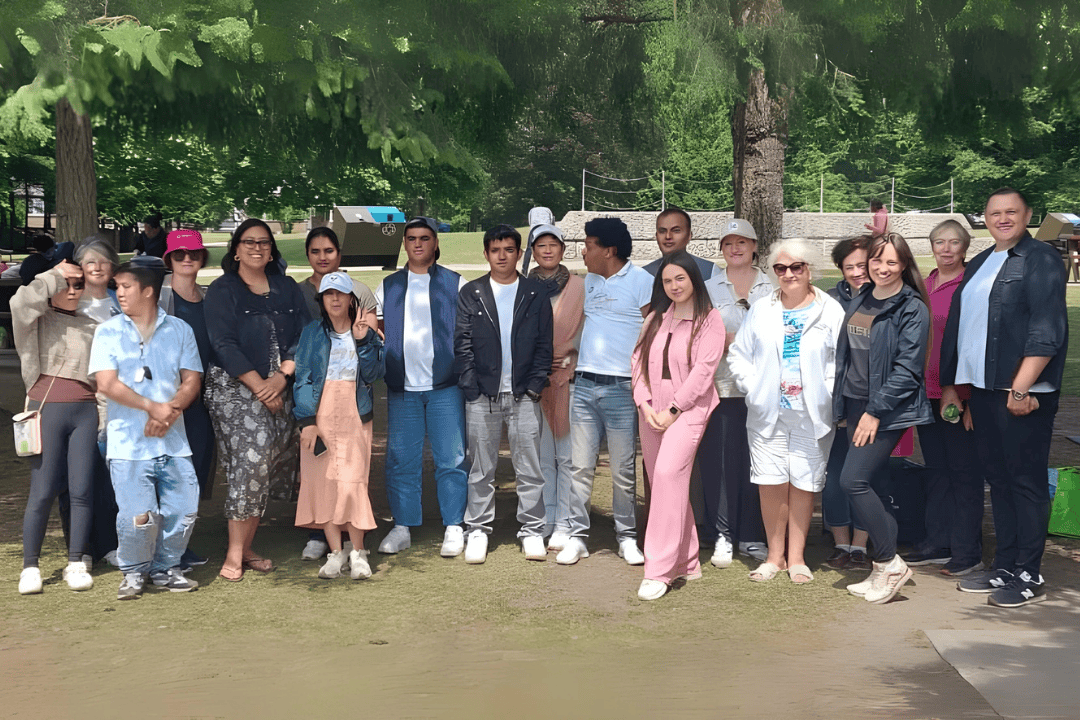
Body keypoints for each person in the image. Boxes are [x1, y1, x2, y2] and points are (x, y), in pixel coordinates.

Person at [941, 188, 1068, 607]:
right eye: (995, 212)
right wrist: (960, 389)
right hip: (984, 390)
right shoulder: (981, 262)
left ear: (1028, 214)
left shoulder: (1041, 260)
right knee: (999, 479)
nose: (1003, 218)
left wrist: (1021, 387)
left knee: (1025, 482)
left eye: (1012, 211)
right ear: (985, 218)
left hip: (1021, 393)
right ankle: (1006, 567)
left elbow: (1046, 329)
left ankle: (1029, 573)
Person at [729, 240, 845, 584]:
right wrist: (753, 387)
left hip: (811, 413)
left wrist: (825, 390)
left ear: (810, 269)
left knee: (805, 483)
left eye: (797, 267)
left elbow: (841, 361)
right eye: (781, 269)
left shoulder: (831, 310)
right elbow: (739, 353)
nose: (789, 274)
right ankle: (773, 556)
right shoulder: (762, 308)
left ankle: (797, 558)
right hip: (769, 412)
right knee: (771, 482)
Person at [89, 260, 202, 599]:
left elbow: (192, 379)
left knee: (183, 510)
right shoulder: (108, 332)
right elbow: (106, 383)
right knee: (139, 516)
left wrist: (170, 412)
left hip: (174, 441)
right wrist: (153, 406)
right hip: (128, 444)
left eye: (125, 286)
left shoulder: (180, 330)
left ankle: (166, 567)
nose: (118, 292)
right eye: (117, 287)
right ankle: (135, 572)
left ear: (148, 291)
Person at [205, 219, 310, 581]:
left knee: (266, 465)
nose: (256, 247)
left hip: (280, 386)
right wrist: (259, 386)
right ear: (235, 249)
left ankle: (247, 547)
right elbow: (223, 344)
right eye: (248, 242)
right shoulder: (223, 290)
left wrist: (281, 378)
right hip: (234, 389)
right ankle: (234, 554)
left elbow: (303, 335)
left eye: (263, 242)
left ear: (271, 250)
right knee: (250, 463)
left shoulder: (287, 288)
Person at [835, 232, 932, 604]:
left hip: (886, 410)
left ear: (904, 265)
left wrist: (875, 412)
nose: (882, 268)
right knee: (870, 485)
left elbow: (908, 370)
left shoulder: (911, 308)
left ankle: (891, 562)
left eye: (891, 262)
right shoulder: (861, 298)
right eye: (877, 261)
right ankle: (881, 568)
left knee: (852, 481)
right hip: (856, 403)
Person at [557, 217, 653, 566]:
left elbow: (653, 331)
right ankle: (577, 537)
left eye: (589, 244)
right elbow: (591, 325)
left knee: (623, 470)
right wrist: (573, 348)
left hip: (621, 390)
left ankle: (626, 537)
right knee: (580, 468)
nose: (583, 251)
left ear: (609, 250)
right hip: (583, 386)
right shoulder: (588, 282)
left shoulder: (642, 282)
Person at [455, 225, 553, 563]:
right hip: (483, 395)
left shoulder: (534, 293)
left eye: (509, 249)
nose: (501, 255)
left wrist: (536, 385)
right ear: (485, 253)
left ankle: (532, 530)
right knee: (481, 467)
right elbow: (463, 344)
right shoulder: (472, 292)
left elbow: (544, 343)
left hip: (524, 394)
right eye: (495, 249)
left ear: (518, 253)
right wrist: (471, 386)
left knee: (530, 467)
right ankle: (478, 529)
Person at [374, 216, 469, 557]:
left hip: (445, 386)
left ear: (435, 243)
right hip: (402, 389)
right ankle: (403, 525)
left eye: (424, 238)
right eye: (411, 238)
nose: (417, 243)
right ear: (404, 244)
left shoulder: (456, 284)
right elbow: (375, 329)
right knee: (402, 460)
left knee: (452, 458)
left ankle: (454, 525)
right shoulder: (389, 286)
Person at [632, 252, 725, 600]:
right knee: (664, 484)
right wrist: (644, 404)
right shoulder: (655, 318)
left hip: (687, 410)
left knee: (670, 474)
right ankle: (687, 559)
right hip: (651, 409)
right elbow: (637, 362)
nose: (674, 286)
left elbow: (703, 373)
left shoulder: (709, 320)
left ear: (694, 280)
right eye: (667, 281)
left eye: (680, 279)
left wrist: (672, 409)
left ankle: (659, 570)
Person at [901, 220, 983, 576]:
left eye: (953, 243)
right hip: (927, 393)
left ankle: (967, 549)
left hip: (958, 394)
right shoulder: (926, 283)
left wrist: (969, 398)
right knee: (936, 470)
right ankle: (937, 540)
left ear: (964, 248)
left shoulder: (973, 286)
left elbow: (974, 345)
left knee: (964, 472)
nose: (946, 249)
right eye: (939, 242)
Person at [12, 261, 98, 594]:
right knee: (43, 489)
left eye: (79, 284)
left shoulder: (92, 325)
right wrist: (53, 275)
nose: (73, 290)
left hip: (86, 411)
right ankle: (30, 567)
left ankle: (76, 560)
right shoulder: (34, 320)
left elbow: (100, 378)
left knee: (81, 489)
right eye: (66, 284)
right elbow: (19, 302)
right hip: (45, 408)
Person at [294, 272, 385, 580]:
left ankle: (358, 552)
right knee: (324, 482)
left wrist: (363, 341)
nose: (334, 299)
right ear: (322, 299)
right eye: (328, 294)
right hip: (319, 413)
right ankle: (335, 552)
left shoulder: (366, 332)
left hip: (354, 412)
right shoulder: (311, 333)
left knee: (352, 481)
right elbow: (303, 377)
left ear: (351, 299)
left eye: (340, 294)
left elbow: (374, 374)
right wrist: (306, 421)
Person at [700, 218, 773, 568]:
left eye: (742, 241)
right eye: (729, 243)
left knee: (757, 464)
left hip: (765, 390)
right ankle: (723, 535)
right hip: (723, 387)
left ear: (755, 245)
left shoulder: (773, 284)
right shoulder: (708, 288)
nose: (736, 248)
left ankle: (753, 534)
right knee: (721, 463)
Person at [158, 229, 215, 570]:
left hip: (204, 402)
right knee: (167, 473)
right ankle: (161, 550)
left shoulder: (209, 299)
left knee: (193, 472)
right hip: (170, 400)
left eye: (193, 254)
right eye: (179, 255)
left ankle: (180, 544)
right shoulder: (159, 299)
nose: (187, 260)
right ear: (169, 259)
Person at [526, 224, 585, 549]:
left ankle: (565, 520)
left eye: (553, 245)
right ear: (533, 251)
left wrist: (570, 364)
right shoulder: (525, 287)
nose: (547, 250)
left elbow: (585, 331)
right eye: (541, 246)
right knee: (542, 456)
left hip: (567, 379)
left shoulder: (579, 287)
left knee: (567, 456)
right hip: (534, 382)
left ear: (563, 250)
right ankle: (545, 517)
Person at [821, 236, 872, 571]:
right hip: (834, 401)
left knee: (865, 475)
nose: (857, 272)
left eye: (863, 265)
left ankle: (862, 546)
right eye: (849, 266)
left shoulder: (886, 298)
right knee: (835, 473)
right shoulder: (829, 300)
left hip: (870, 404)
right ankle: (840, 543)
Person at [642, 208, 717, 280]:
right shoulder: (644, 275)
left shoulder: (711, 272)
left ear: (689, 235)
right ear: (656, 236)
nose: (668, 236)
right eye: (662, 231)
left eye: (676, 231)